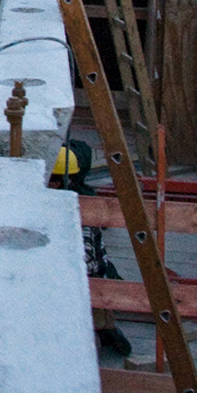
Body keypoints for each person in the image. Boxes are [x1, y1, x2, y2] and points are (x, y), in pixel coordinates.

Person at [49, 138, 131, 357]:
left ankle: (97, 337)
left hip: (89, 279)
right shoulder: (85, 198)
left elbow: (85, 258)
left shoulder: (78, 211)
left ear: (56, 183)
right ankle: (106, 329)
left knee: (86, 325)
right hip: (99, 275)